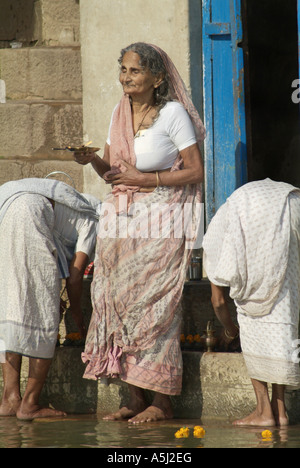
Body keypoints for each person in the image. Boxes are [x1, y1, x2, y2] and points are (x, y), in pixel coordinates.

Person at [74, 42, 205, 423]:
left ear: (157, 78)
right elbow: (114, 174)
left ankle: (161, 402)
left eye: (134, 70)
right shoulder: (120, 112)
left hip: (161, 222)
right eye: (123, 69)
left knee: (153, 307)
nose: (126, 77)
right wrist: (92, 159)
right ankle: (133, 396)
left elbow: (195, 170)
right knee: (115, 302)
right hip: (121, 222)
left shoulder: (173, 113)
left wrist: (145, 178)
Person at [202, 178, 300, 427]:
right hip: (292, 204)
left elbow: (218, 302)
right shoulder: (227, 224)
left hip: (261, 207)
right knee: (280, 319)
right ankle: (280, 411)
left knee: (252, 322)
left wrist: (231, 330)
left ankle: (264, 411)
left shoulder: (215, 244)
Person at [0, 178, 100, 421]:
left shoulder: (73, 210)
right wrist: (77, 312)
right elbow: (76, 277)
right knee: (45, 314)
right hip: (32, 213)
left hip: (6, 209)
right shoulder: (94, 220)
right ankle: (29, 405)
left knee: (11, 307)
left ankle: (9, 399)